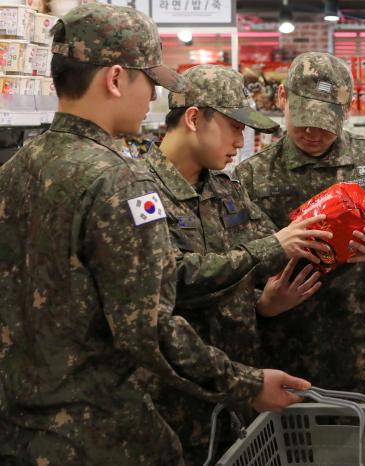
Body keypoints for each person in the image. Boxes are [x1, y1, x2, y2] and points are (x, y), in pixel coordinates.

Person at [0, 5, 309, 465]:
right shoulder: (120, 182)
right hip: (101, 436)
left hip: (20, 428)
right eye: (151, 83)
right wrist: (246, 384)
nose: (153, 99)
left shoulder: (15, 170)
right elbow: (148, 329)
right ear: (116, 79)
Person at [139, 64, 330, 464]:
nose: (240, 142)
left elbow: (263, 256)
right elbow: (172, 277)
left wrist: (264, 302)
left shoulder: (226, 188)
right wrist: (272, 247)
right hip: (173, 402)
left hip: (239, 392)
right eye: (234, 128)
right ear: (194, 118)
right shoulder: (139, 192)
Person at [236, 52, 365, 407]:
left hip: (362, 358)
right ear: (282, 98)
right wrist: (262, 304)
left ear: (348, 109)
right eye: (304, 120)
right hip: (283, 361)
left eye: (326, 121)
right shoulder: (250, 176)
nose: (313, 132)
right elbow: (231, 267)